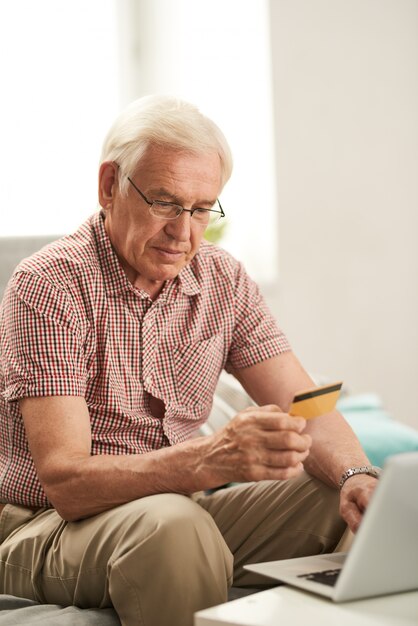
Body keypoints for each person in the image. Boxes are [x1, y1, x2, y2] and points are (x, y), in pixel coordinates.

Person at [0, 95, 379, 626]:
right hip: (49, 526)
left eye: (202, 209)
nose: (184, 232)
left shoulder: (223, 278)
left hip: (178, 511)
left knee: (354, 504)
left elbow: (306, 400)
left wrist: (355, 474)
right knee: (175, 527)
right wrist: (207, 460)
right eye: (165, 202)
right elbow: (66, 481)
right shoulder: (49, 286)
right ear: (110, 185)